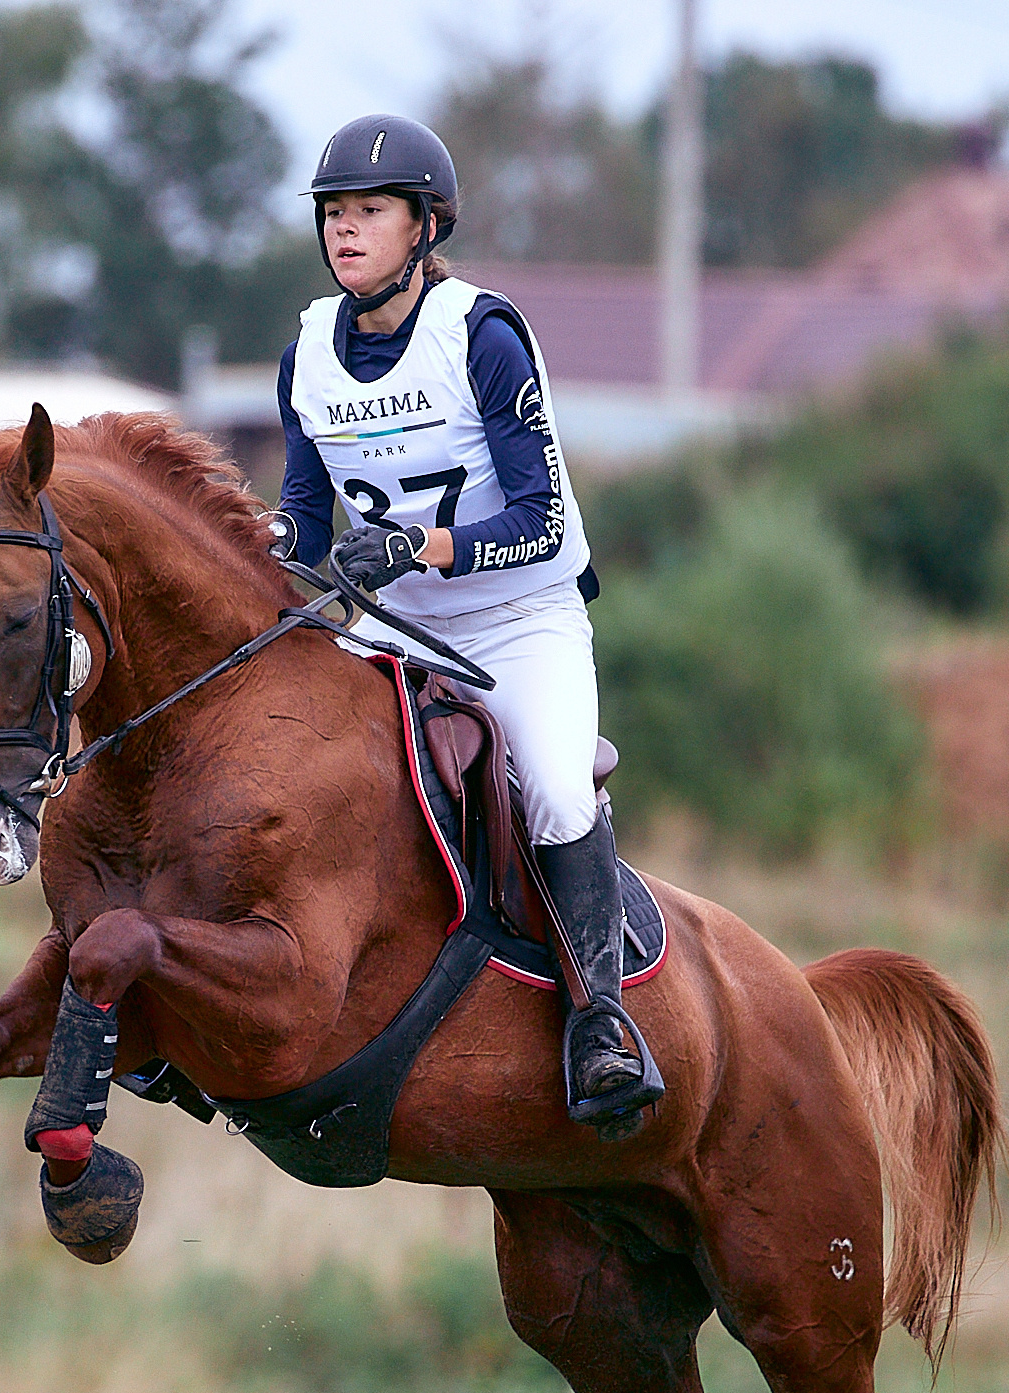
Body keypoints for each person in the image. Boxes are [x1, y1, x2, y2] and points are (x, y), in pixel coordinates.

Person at [268, 112, 661, 1128]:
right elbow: (305, 521)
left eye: (370, 212)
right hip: (393, 625)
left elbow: (536, 520)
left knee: (558, 793)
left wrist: (415, 546)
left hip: (515, 619)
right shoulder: (306, 353)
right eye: (334, 214)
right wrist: (253, 547)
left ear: (425, 227)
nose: (345, 231)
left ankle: (599, 1024)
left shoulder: (480, 336)